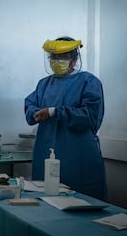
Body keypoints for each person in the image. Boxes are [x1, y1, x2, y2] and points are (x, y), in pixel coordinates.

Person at [24, 37, 107, 200]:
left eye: (61, 57)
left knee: (82, 202)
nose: (56, 61)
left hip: (77, 153)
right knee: (46, 197)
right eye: (53, 57)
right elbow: (30, 104)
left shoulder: (88, 82)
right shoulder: (44, 84)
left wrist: (55, 112)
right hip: (46, 151)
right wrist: (34, 112)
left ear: (74, 60)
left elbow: (90, 116)